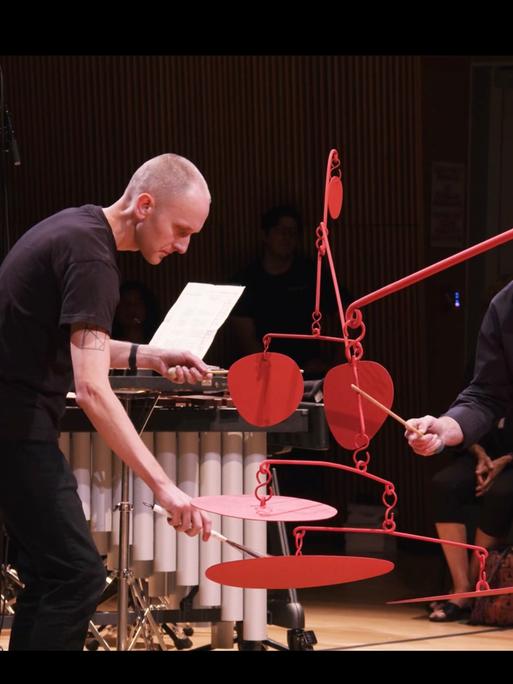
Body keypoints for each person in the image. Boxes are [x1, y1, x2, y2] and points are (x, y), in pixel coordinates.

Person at [0, 153, 213, 650]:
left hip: (13, 424)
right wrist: (164, 487)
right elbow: (92, 388)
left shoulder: (75, 228)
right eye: (180, 230)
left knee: (54, 577)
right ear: (144, 204)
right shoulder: (94, 258)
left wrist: (149, 355)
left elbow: (68, 337)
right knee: (77, 577)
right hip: (15, 429)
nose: (182, 246)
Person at [405, 278, 513, 616]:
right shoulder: (505, 306)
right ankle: (464, 588)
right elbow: (485, 395)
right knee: (447, 484)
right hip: (496, 444)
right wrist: (444, 428)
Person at [228, 205, 350, 378]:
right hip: (263, 374)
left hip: (311, 375)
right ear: (265, 235)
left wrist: (334, 366)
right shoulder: (246, 280)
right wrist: (274, 374)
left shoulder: (311, 274)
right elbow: (246, 340)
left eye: (292, 232)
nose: (287, 237)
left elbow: (349, 315)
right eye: (280, 230)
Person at [428, 415, 513, 621]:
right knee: (444, 485)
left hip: (510, 459)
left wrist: (506, 459)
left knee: (500, 494)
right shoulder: (488, 383)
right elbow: (465, 418)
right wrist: (478, 451)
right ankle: (461, 587)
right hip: (482, 455)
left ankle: (473, 588)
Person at [112, 280, 162, 345]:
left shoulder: (159, 341)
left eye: (137, 303)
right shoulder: (109, 344)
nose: (131, 308)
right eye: (125, 303)